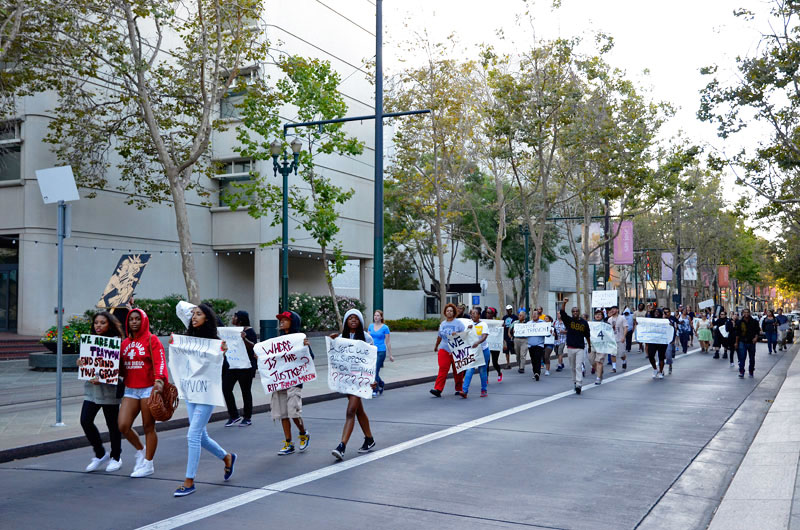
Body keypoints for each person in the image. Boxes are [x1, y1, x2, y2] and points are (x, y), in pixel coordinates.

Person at [174, 304, 236, 497]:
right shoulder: (187, 340)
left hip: (207, 393)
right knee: (201, 436)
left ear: (207, 318)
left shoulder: (216, 342)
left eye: (198, 314)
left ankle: (189, 481)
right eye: (193, 314)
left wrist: (223, 354)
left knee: (192, 435)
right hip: (191, 392)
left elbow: (224, 369)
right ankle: (227, 457)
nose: (194, 317)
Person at [118, 308, 167, 478]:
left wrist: (159, 381)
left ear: (143, 320)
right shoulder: (124, 344)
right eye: (131, 319)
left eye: (137, 319)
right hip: (130, 388)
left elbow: (160, 361)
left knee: (148, 426)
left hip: (148, 388)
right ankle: (141, 450)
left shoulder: (152, 340)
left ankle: (148, 464)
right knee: (123, 425)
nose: (134, 322)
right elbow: (120, 368)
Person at [78, 311, 125, 473]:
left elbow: (122, 371)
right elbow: (89, 364)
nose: (98, 325)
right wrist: (81, 364)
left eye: (102, 323)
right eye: (96, 322)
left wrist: (104, 377)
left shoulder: (117, 344)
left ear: (110, 325)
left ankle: (116, 457)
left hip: (109, 391)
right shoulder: (90, 342)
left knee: (113, 426)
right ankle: (100, 454)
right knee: (85, 420)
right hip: (92, 390)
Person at [331, 309, 376, 460]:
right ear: (345, 321)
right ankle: (369, 439)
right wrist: (331, 342)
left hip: (360, 380)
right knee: (358, 410)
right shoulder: (339, 337)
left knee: (351, 411)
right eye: (350, 318)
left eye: (356, 318)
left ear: (361, 321)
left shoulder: (367, 338)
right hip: (346, 381)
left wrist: (372, 379)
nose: (353, 320)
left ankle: (342, 446)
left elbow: (371, 360)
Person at [273, 311, 311, 455]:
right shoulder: (277, 341)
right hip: (280, 381)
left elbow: (310, 358)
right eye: (280, 320)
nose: (281, 322)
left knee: (293, 412)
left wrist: (306, 347)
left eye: (285, 320)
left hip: (294, 381)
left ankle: (303, 433)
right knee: (283, 413)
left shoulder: (300, 339)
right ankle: (288, 443)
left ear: (293, 322)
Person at [222, 310, 258, 427]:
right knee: (226, 389)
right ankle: (234, 415)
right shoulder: (232, 332)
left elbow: (254, 346)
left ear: (240, 319)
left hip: (246, 367)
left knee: (245, 391)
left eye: (235, 316)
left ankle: (247, 417)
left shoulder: (249, 331)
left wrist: (244, 339)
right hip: (232, 366)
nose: (232, 318)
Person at [431, 303, 466, 397]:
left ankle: (459, 389)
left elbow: (466, 334)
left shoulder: (458, 323)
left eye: (451, 311)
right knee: (443, 368)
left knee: (458, 370)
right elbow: (439, 336)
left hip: (456, 349)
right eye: (447, 311)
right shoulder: (443, 324)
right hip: (444, 349)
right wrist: (436, 346)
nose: (449, 312)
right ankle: (438, 389)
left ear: (454, 312)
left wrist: (458, 334)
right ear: (445, 313)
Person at [559, 299, 592, 394]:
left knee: (578, 367)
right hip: (570, 347)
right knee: (573, 367)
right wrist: (564, 303)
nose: (575, 313)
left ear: (579, 312)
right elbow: (562, 312)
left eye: (577, 311)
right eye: (573, 311)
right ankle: (574, 382)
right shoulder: (569, 321)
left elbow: (587, 335)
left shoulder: (584, 323)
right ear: (572, 313)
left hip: (580, 347)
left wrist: (589, 346)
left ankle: (579, 384)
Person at [461, 307, 490, 397]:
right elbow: (463, 336)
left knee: (482, 370)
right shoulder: (469, 324)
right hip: (473, 351)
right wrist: (467, 329)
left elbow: (484, 336)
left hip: (483, 350)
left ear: (479, 315)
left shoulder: (483, 324)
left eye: (474, 313)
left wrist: (478, 342)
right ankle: (464, 391)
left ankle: (484, 390)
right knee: (470, 369)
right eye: (471, 314)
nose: (472, 315)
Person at [368, 310, 394, 397]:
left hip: (381, 351)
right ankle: (381, 383)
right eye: (375, 315)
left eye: (378, 315)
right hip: (372, 351)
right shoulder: (370, 326)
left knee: (375, 370)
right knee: (372, 371)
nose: (376, 317)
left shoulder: (385, 328)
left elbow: (388, 342)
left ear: (381, 317)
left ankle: (375, 389)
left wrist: (390, 355)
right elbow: (368, 339)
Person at [735, 308, 760, 378]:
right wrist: (736, 343)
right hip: (742, 341)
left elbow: (757, 331)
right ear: (743, 313)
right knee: (742, 357)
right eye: (745, 312)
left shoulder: (754, 321)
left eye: (747, 312)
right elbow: (737, 333)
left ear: (749, 313)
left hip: (751, 342)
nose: (746, 314)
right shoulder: (740, 322)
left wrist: (756, 338)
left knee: (752, 357)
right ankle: (741, 371)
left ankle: (751, 371)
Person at [646, 308, 670, 379]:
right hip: (653, 340)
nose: (656, 313)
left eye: (657, 312)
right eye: (655, 312)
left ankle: (661, 371)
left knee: (661, 357)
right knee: (650, 355)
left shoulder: (664, 321)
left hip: (662, 341)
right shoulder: (650, 321)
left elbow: (670, 328)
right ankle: (655, 369)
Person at [525, 309, 545, 381]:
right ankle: (535, 372)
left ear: (538, 315)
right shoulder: (528, 324)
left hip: (539, 344)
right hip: (530, 345)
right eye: (533, 314)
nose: (534, 315)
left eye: (535, 314)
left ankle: (537, 373)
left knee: (538, 358)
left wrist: (551, 331)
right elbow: (523, 332)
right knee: (533, 359)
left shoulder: (543, 323)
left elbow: (547, 333)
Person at [485, 307, 503, 382]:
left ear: (493, 314)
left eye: (489, 313)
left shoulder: (497, 322)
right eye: (487, 312)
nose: (487, 314)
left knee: (495, 362)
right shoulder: (484, 323)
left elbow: (500, 333)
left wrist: (502, 327)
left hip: (495, 345)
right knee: (487, 362)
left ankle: (499, 372)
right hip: (487, 345)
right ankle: (486, 378)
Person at [607, 306, 627, 373]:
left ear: (617, 310)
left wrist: (624, 337)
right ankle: (614, 367)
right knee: (613, 354)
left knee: (621, 354)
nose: (612, 310)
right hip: (612, 339)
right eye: (611, 309)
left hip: (620, 338)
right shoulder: (609, 319)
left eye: (614, 309)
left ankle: (624, 361)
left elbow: (625, 328)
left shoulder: (622, 318)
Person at [502, 305, 518, 369]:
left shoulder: (515, 317)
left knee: (515, 349)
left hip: (513, 336)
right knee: (506, 351)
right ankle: (508, 363)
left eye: (510, 309)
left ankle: (519, 361)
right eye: (508, 310)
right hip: (506, 336)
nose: (509, 311)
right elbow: (502, 325)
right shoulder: (504, 317)